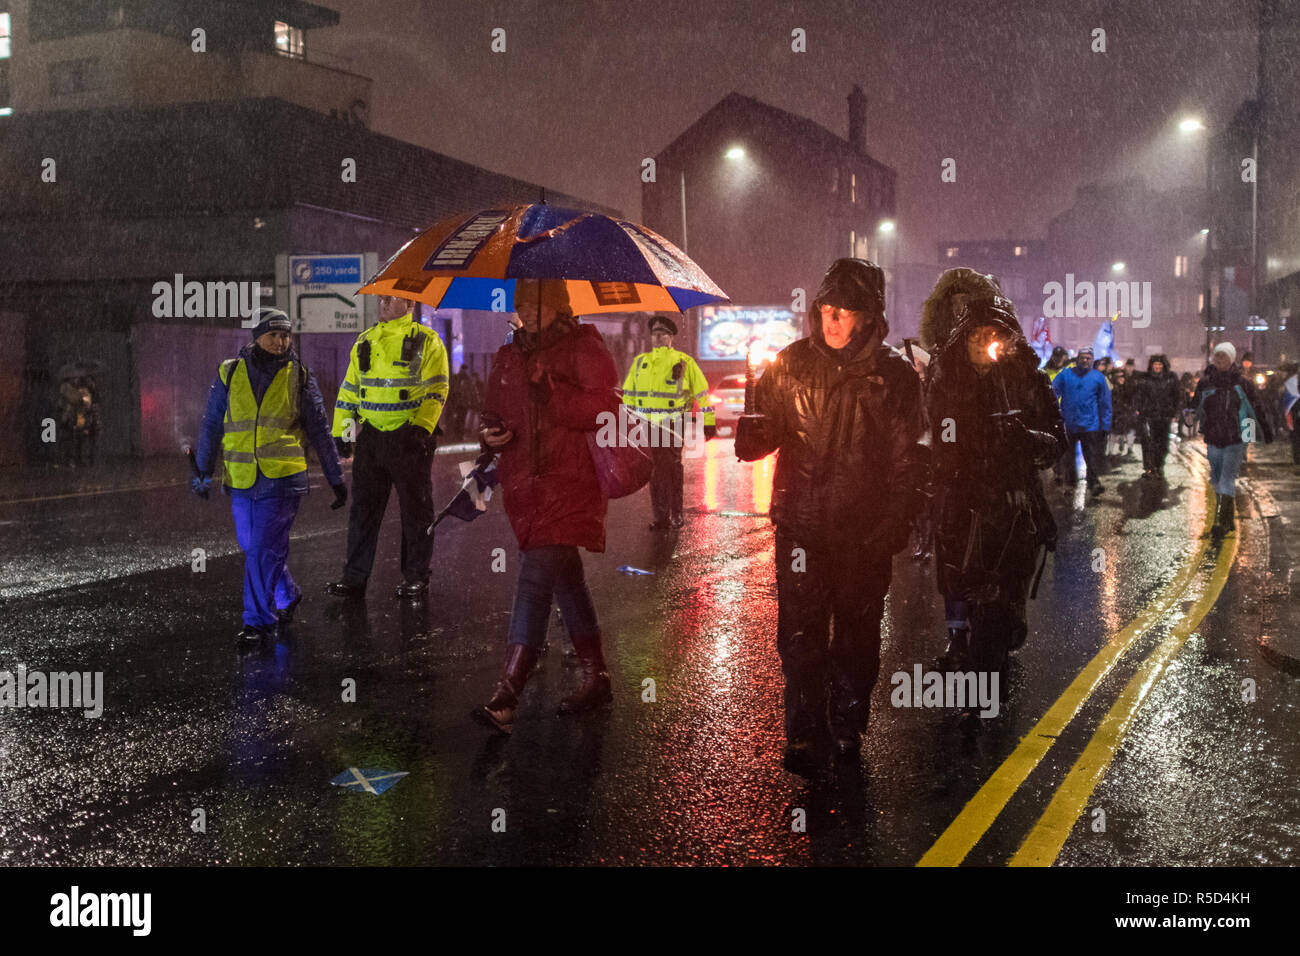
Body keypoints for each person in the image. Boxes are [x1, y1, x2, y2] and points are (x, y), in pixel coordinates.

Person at [736, 258, 928, 779]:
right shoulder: (789, 365)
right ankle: (803, 733)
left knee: (856, 636)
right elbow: (759, 444)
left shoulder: (893, 377)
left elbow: (909, 461)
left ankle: (847, 723)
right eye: (826, 308)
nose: (833, 319)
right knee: (799, 636)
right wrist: (751, 425)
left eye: (845, 310)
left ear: (868, 316)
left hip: (864, 535)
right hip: (801, 528)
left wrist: (893, 523)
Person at [472, 280, 620, 735]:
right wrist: (490, 434)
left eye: (536, 302)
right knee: (565, 577)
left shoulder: (585, 347)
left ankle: (508, 692)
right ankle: (597, 676)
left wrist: (552, 392)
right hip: (526, 484)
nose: (526, 312)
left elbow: (603, 410)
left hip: (569, 482)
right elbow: (495, 411)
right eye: (519, 303)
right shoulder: (508, 355)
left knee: (535, 577)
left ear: (558, 306)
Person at [927, 292, 1065, 675]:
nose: (986, 342)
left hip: (1014, 506)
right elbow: (935, 434)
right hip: (962, 503)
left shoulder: (1029, 380)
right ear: (963, 337)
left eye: (995, 334)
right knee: (959, 577)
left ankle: (989, 676)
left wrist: (1027, 440)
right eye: (977, 334)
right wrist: (952, 446)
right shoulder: (946, 379)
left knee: (1001, 602)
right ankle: (961, 641)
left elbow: (1056, 442)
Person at [194, 308, 347, 643]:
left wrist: (336, 477)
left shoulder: (300, 376)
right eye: (274, 334)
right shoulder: (229, 372)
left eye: (286, 335)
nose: (281, 341)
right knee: (253, 546)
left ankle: (258, 622)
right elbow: (211, 422)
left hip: (282, 479)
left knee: (263, 548)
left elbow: (319, 430)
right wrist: (203, 470)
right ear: (257, 337)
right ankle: (287, 593)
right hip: (241, 477)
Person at [327, 294, 449, 600]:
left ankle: (416, 577)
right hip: (372, 438)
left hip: (409, 438)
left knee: (416, 513)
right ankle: (354, 579)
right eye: (381, 297)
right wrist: (342, 431)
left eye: (391, 298)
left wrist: (422, 428)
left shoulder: (427, 340)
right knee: (363, 512)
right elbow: (349, 390)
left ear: (410, 305)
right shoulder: (365, 341)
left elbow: (437, 388)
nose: (383, 302)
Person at [621, 314, 716, 530]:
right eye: (654, 333)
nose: (657, 337)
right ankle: (661, 517)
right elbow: (628, 395)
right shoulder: (640, 362)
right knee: (654, 472)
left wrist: (708, 421)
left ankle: (676, 514)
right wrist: (626, 421)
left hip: (672, 425)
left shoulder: (684, 362)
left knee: (671, 469)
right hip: (646, 426)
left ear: (671, 337)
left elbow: (702, 393)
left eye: (662, 333)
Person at [1190, 341, 1273, 538]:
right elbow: (1194, 406)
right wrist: (1190, 416)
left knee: (1227, 478)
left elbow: (1255, 408)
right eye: (1217, 356)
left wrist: (1264, 432)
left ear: (1231, 359)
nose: (1220, 360)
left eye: (1224, 356)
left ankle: (1219, 522)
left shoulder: (1242, 383)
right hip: (1213, 436)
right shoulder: (1206, 382)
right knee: (1217, 478)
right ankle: (1227, 519)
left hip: (1236, 437)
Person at [1053, 346, 1112, 497]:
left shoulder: (1098, 377)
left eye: (1088, 358)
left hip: (1090, 424)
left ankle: (1094, 483)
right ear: (1077, 359)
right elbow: (1052, 393)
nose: (1085, 360)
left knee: (1091, 456)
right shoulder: (1065, 375)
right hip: (1069, 423)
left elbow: (1105, 402)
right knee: (1068, 456)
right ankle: (1070, 484)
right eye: (1082, 357)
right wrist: (1054, 415)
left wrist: (1105, 425)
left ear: (1092, 360)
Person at [1133, 354, 1181, 480]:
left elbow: (1177, 396)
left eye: (1160, 364)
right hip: (1148, 415)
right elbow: (1138, 395)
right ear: (1151, 365)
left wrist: (1175, 412)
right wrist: (1138, 408)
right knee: (1149, 442)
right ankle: (1150, 467)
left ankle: (1158, 466)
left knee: (1162, 443)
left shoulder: (1171, 378)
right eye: (1155, 364)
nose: (1157, 366)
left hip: (1164, 415)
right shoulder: (1145, 379)